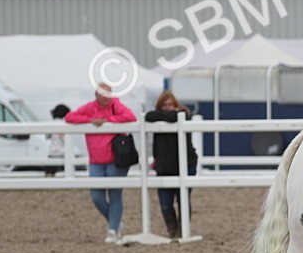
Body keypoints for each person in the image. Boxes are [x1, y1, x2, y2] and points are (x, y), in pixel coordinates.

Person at [65, 84, 136, 243]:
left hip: (115, 159)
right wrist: (90, 120)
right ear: (96, 95)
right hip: (96, 160)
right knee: (96, 196)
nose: (105, 97)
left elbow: (130, 117)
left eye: (108, 93)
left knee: (115, 194)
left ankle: (112, 230)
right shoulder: (90, 108)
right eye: (102, 93)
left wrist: (108, 121)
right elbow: (70, 117)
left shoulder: (116, 105)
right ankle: (115, 223)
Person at [145, 90, 198, 238]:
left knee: (183, 200)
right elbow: (148, 116)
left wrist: (165, 115)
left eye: (170, 104)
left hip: (185, 165)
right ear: (160, 106)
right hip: (164, 167)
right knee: (165, 204)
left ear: (175, 104)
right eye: (164, 105)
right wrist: (167, 115)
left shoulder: (183, 114)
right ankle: (172, 230)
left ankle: (182, 230)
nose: (168, 107)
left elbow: (179, 115)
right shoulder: (157, 117)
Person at [46, 104, 70, 176]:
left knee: (49, 173)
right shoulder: (65, 124)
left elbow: (47, 136)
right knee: (68, 172)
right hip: (64, 153)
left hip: (52, 152)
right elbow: (66, 139)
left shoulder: (51, 123)